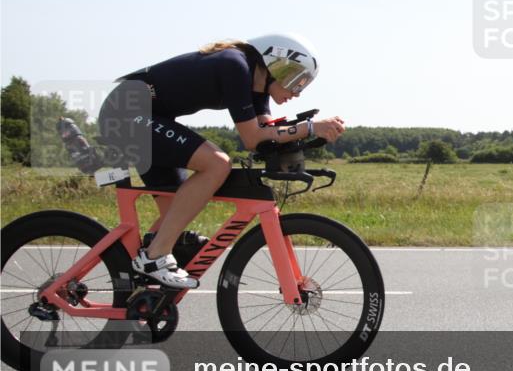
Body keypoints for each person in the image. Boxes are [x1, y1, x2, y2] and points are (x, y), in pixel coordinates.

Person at [97, 34, 345, 289]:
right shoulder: (234, 66)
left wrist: (305, 133)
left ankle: (142, 279)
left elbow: (266, 134)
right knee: (216, 164)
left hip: (149, 117)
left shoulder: (257, 88)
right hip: (125, 114)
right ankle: (154, 257)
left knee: (177, 210)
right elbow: (252, 138)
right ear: (276, 64)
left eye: (303, 84)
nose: (297, 91)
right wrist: (310, 127)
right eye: (296, 79)